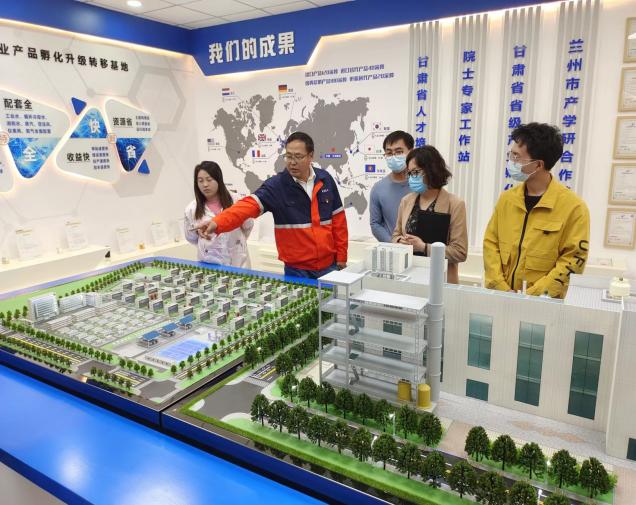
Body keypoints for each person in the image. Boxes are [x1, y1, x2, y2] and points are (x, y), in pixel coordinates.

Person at [200, 132, 348, 279]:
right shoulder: (276, 186)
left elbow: (339, 221)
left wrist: (341, 257)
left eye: (298, 156)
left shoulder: (325, 180)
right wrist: (217, 223)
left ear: (311, 156)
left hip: (329, 266)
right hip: (297, 271)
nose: (292, 162)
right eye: (288, 156)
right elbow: (247, 206)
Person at [483, 122, 590, 298]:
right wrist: (501, 287)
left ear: (538, 165)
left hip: (544, 303)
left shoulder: (574, 208)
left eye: (516, 157)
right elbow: (491, 243)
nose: (511, 161)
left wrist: (531, 296)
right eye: (511, 154)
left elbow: (573, 260)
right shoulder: (507, 199)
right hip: (501, 297)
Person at [392, 146, 468, 284]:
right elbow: (396, 235)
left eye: (416, 172)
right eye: (409, 173)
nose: (411, 178)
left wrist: (424, 247)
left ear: (432, 170)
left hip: (440, 281)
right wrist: (399, 242)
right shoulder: (406, 201)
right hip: (409, 278)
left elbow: (460, 252)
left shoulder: (455, 204)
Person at [184, 161, 253, 267]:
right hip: (209, 263)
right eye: (200, 181)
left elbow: (248, 226)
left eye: (209, 180)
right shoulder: (192, 209)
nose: (205, 185)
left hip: (238, 262)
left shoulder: (236, 201)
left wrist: (236, 242)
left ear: (218, 179)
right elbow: (191, 238)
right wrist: (199, 233)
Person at [369, 130, 414, 242]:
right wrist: (394, 242)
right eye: (389, 153)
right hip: (392, 249)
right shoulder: (378, 188)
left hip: (421, 249)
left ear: (411, 152)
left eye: (399, 152)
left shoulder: (421, 185)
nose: (393, 157)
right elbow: (375, 224)